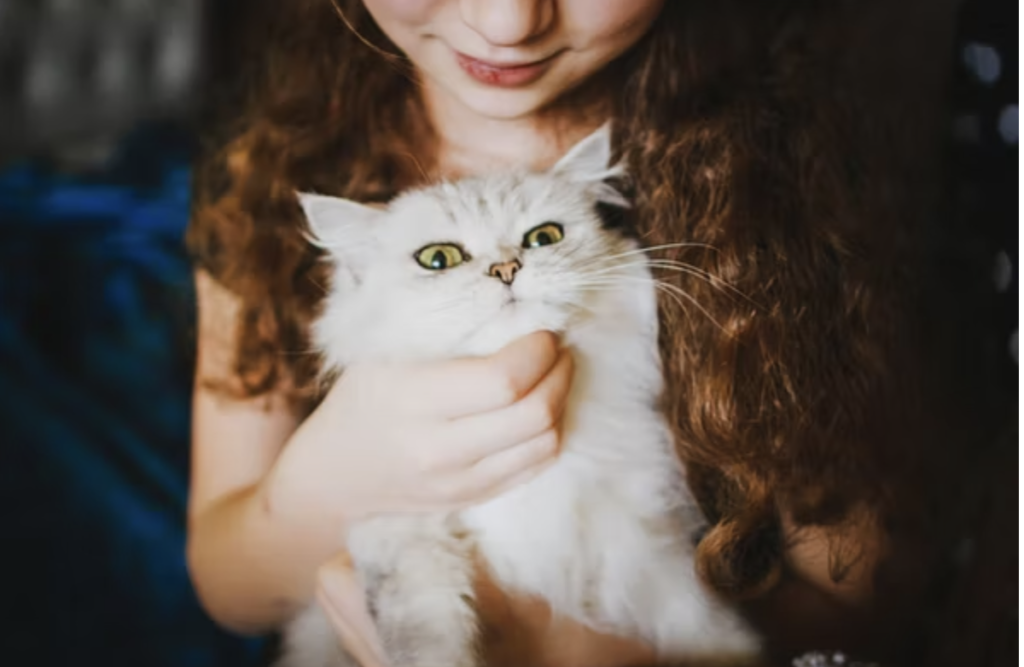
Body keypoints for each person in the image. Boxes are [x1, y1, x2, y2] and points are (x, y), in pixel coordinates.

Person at [184, 1, 982, 666]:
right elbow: (228, 585)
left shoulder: (801, 204)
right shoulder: (261, 178)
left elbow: (868, 601)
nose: (506, 21)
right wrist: (319, 486)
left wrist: (576, 651)